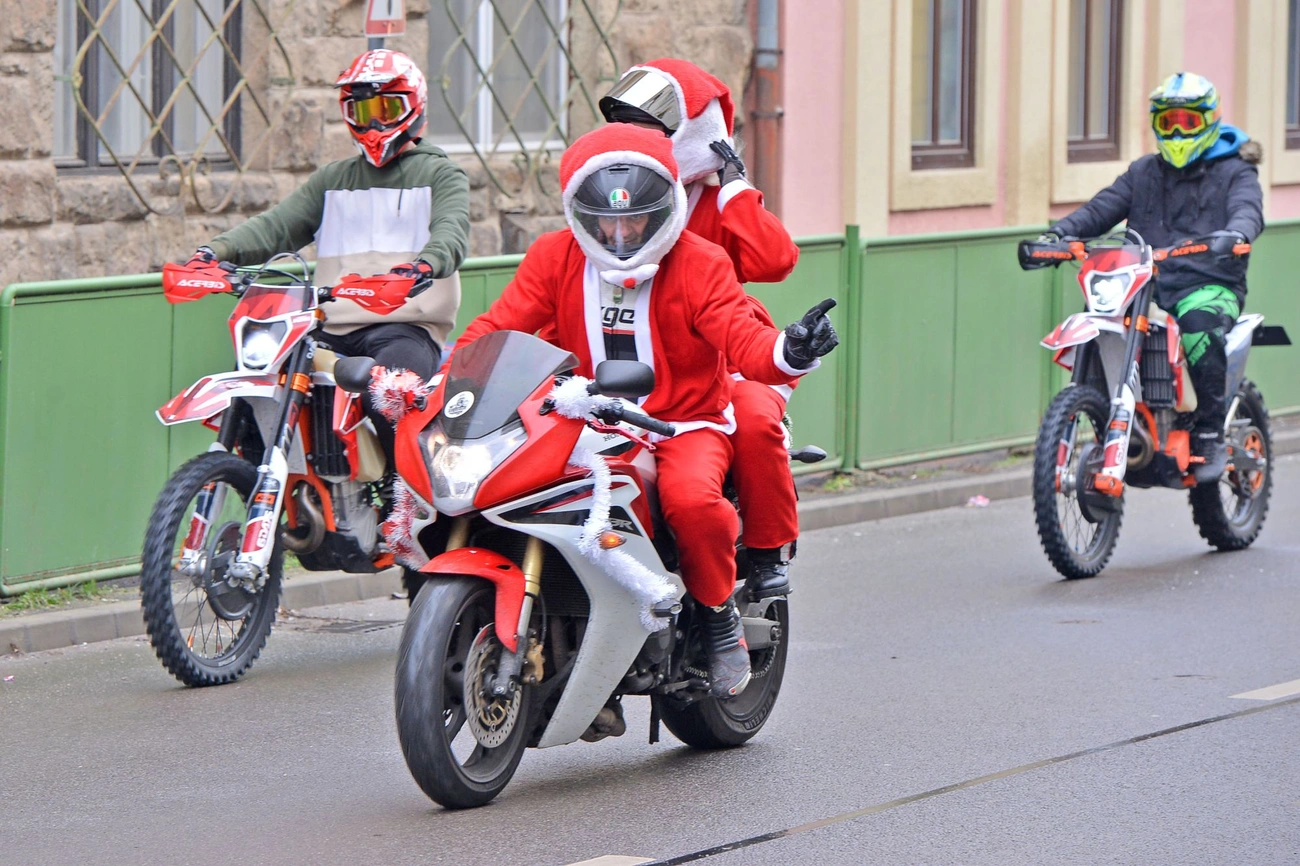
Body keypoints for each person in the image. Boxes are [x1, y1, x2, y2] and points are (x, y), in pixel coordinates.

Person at [448, 123, 838, 697]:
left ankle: (718, 619)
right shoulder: (553, 255)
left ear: (666, 209)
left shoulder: (701, 261)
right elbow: (499, 325)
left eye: (637, 219)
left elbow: (743, 338)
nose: (622, 232)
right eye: (606, 220)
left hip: (684, 424)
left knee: (693, 502)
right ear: (581, 213)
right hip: (579, 419)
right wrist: (448, 376)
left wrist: (790, 351)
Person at [177, 49, 470, 463]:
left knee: (389, 395)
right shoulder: (333, 180)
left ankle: (405, 490)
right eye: (361, 111)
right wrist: (213, 252)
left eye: (386, 109)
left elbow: (451, 231)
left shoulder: (441, 174)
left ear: (413, 107)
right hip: (326, 324)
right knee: (259, 390)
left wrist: (424, 266)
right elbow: (277, 226)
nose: (373, 124)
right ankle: (257, 485)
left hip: (404, 327)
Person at [598, 58, 802, 599]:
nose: (635, 140)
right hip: (631, 351)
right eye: (626, 127)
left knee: (754, 420)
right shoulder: (610, 197)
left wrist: (735, 188)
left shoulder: (714, 205)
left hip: (727, 353)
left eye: (650, 129)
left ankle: (765, 548)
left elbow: (774, 260)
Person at [1045, 72, 1263, 483]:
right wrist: (1058, 235)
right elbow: (1102, 208)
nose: (1177, 132)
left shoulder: (1235, 172)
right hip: (1145, 282)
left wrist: (1237, 233)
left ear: (1209, 121)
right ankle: (1104, 419)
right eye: (1168, 122)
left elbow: (1247, 209)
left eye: (1187, 122)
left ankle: (1209, 433)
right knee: (1101, 325)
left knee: (1198, 325)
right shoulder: (1144, 172)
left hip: (1209, 283)